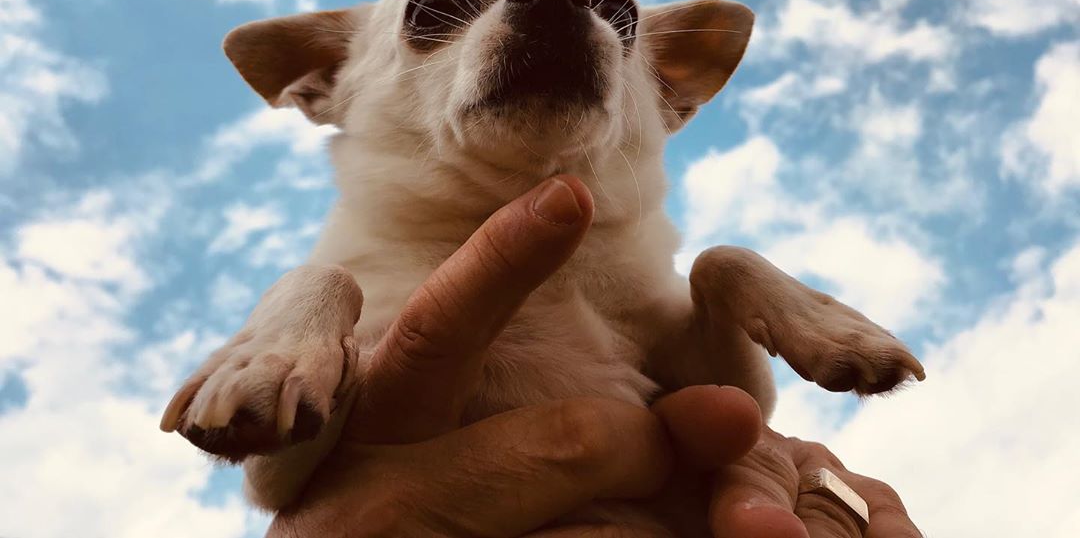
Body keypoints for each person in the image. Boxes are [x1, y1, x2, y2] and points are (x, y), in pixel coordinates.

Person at [267, 177, 921, 537]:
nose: (556, 0)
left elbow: (744, 410)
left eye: (615, 15)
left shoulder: (655, 300)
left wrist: (835, 506)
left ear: (666, 90)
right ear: (332, 77)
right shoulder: (345, 284)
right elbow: (279, 474)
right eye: (437, 11)